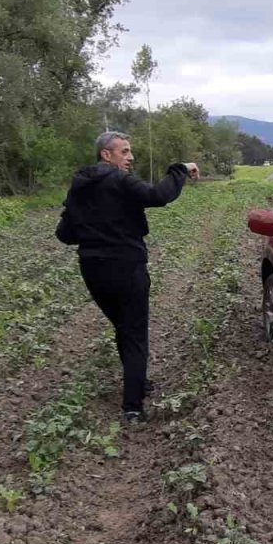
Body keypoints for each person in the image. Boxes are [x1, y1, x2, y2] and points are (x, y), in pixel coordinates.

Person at [55, 132, 200, 422]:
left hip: (93, 269)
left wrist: (93, 228)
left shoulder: (79, 187)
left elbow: (64, 234)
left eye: (130, 151)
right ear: (106, 155)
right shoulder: (119, 180)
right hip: (126, 266)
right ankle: (133, 406)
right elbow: (158, 196)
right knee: (134, 333)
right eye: (124, 151)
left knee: (123, 327)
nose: (130, 157)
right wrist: (179, 169)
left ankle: (138, 381)